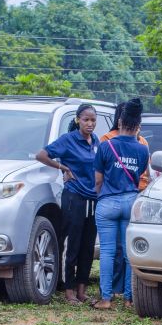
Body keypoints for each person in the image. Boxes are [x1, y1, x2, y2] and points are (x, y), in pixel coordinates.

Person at [37, 103, 100, 304]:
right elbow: (41, 155)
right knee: (72, 243)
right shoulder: (68, 140)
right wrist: (62, 167)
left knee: (87, 245)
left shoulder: (95, 141)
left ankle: (82, 290)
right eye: (86, 120)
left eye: (93, 120)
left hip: (92, 198)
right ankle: (69, 290)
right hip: (74, 197)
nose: (90, 124)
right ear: (78, 120)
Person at [93, 99, 150, 310]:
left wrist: (101, 196)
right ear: (137, 126)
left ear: (119, 122)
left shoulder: (105, 145)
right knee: (128, 253)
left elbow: (98, 180)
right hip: (131, 201)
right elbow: (140, 175)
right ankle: (128, 298)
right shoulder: (143, 150)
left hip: (107, 202)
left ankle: (106, 299)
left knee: (107, 252)